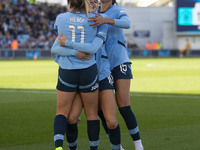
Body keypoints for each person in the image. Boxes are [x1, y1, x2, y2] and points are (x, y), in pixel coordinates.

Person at [51, 0, 122, 149]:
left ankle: (59, 146)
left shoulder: (61, 19)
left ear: (70, 3)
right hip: (89, 71)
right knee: (89, 115)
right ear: (85, 3)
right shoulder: (98, 21)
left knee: (63, 113)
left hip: (68, 71)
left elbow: (56, 48)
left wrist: (71, 47)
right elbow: (93, 48)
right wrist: (78, 52)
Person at [88, 0, 144, 149]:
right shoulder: (93, 12)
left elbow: (127, 23)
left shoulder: (117, 10)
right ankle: (117, 146)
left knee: (124, 105)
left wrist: (105, 19)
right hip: (101, 66)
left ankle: (138, 145)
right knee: (101, 109)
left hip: (119, 61)